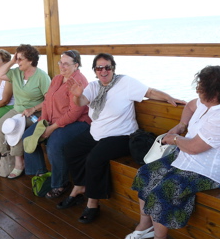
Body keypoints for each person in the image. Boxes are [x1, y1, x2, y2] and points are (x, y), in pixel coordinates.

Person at [127, 65, 220, 239]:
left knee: (163, 190)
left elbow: (195, 147)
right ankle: (145, 224)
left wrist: (173, 139)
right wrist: (181, 125)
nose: (197, 91)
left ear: (215, 93)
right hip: (186, 157)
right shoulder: (208, 102)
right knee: (145, 173)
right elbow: (191, 105)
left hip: (207, 170)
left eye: (201, 88)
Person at [59, 53, 185, 223]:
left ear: (113, 69)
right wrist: (76, 95)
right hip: (96, 133)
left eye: (107, 67)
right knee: (70, 149)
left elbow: (148, 91)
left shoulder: (124, 83)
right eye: (99, 68)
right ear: (95, 71)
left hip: (121, 135)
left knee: (94, 158)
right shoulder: (94, 86)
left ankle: (92, 203)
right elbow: (82, 101)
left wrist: (168, 97)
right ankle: (81, 185)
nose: (103, 71)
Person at [22, 50, 91, 198]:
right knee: (28, 136)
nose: (62, 66)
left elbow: (75, 113)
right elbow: (47, 102)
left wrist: (52, 128)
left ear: (76, 65)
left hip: (78, 123)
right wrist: (43, 123)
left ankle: (60, 183)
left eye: (66, 64)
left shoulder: (79, 81)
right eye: (60, 62)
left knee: (54, 144)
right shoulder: (57, 78)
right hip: (54, 120)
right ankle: (42, 173)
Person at [0, 44, 51, 178]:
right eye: (16, 58)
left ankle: (19, 163)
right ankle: (7, 159)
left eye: (20, 59)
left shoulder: (42, 76)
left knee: (16, 127)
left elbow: (49, 100)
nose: (17, 61)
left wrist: (34, 108)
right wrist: (12, 61)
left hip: (34, 113)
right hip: (17, 110)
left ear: (30, 60)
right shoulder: (16, 73)